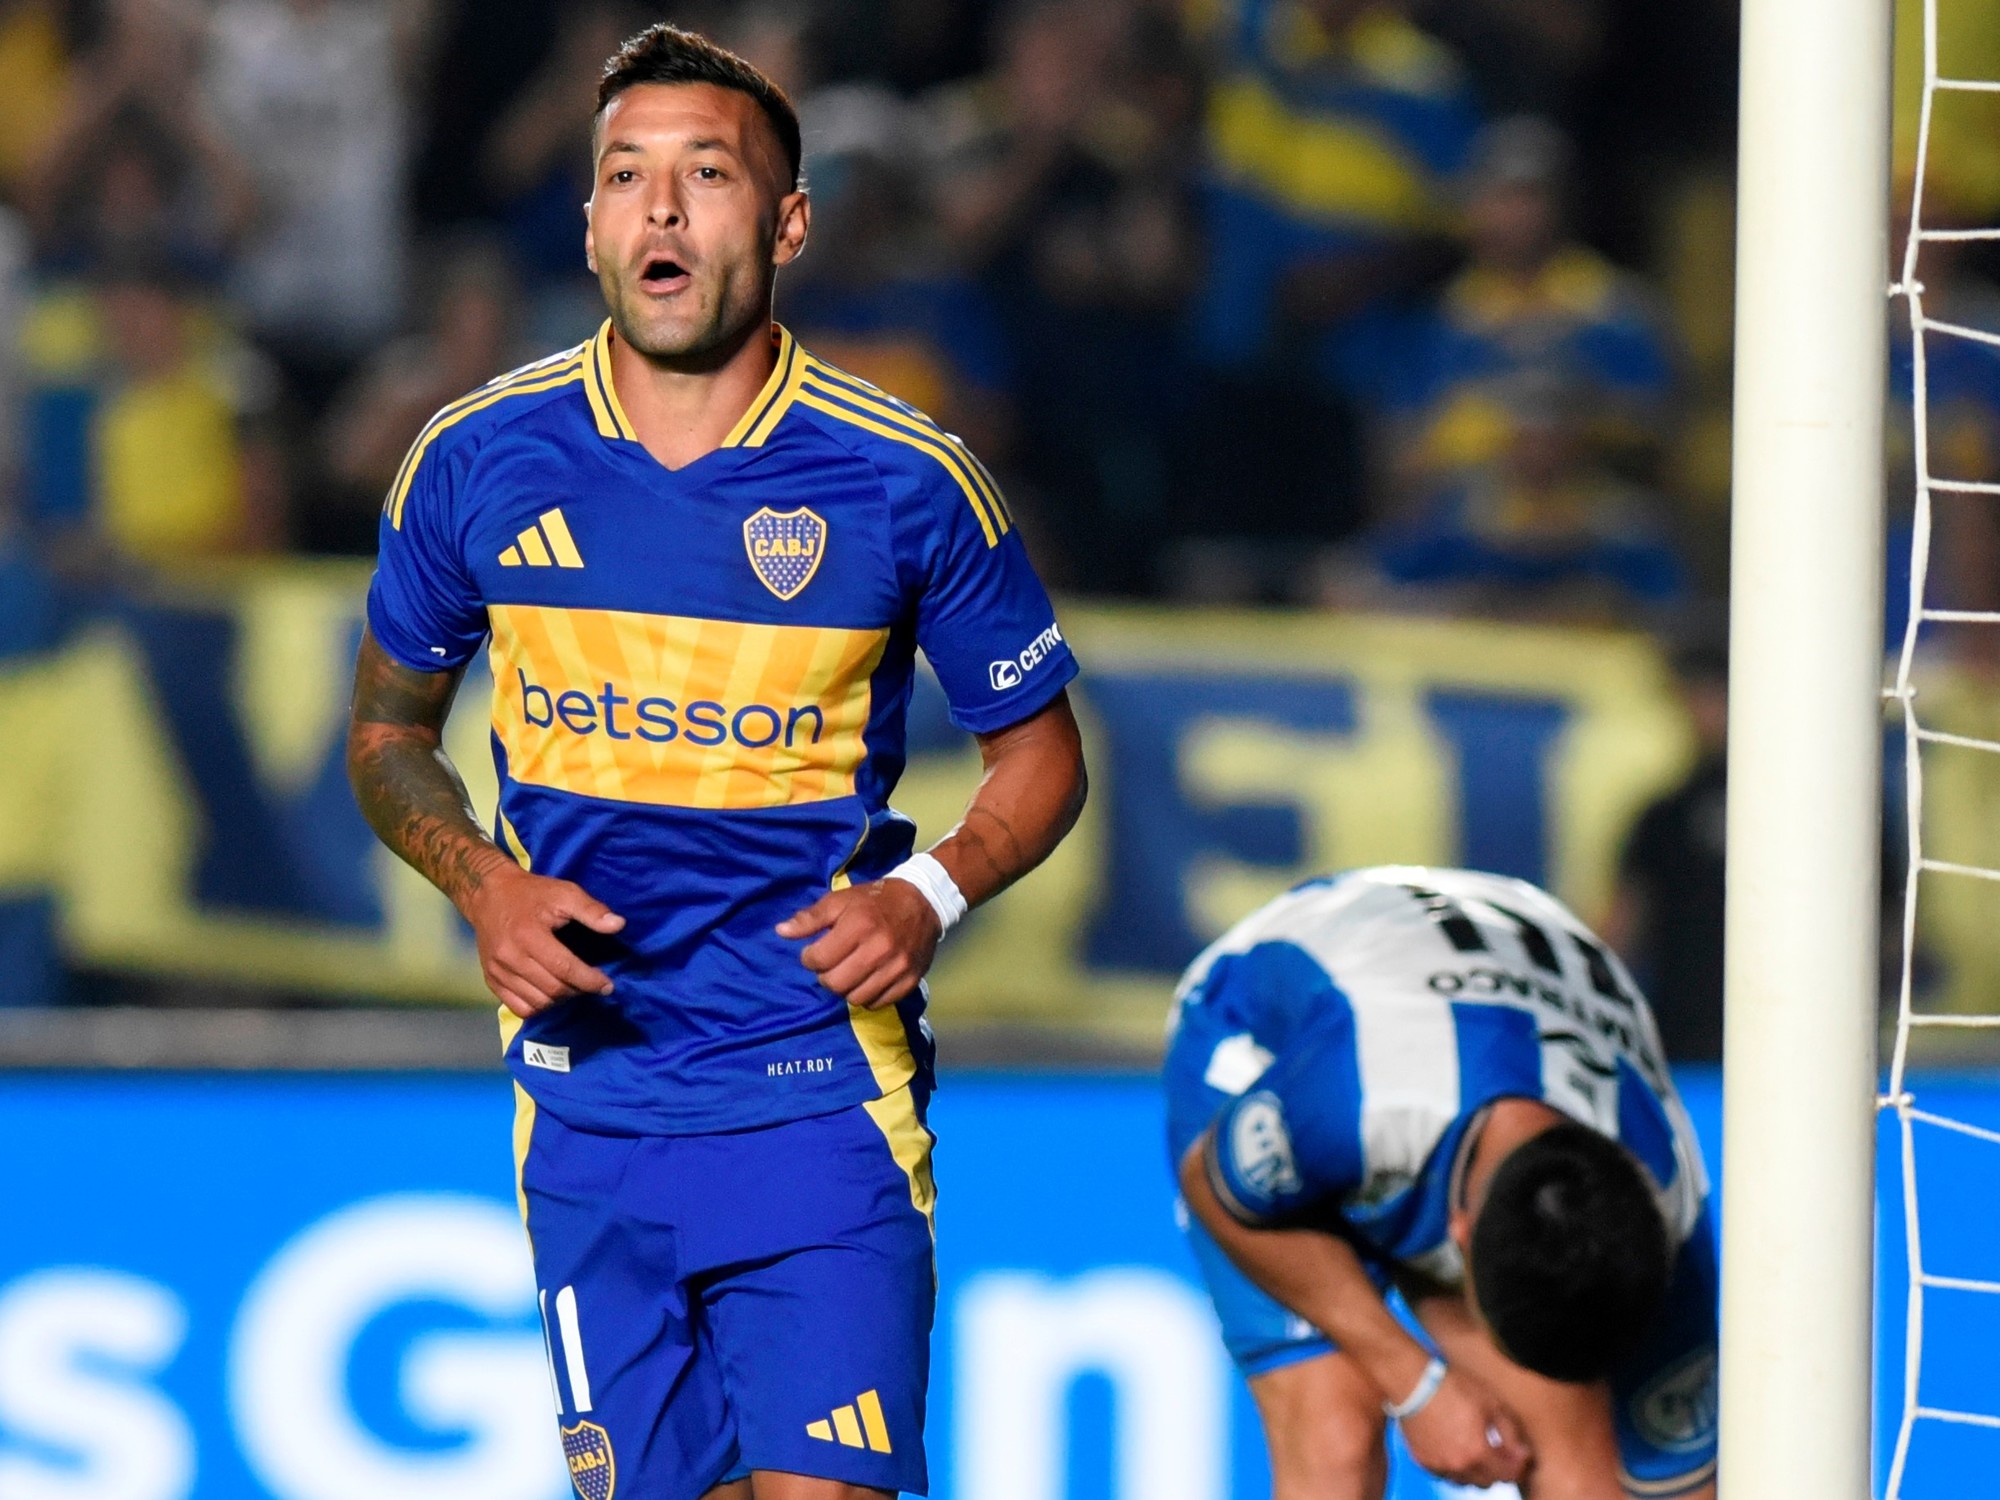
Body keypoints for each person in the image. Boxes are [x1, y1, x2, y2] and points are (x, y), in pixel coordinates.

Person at [345, 25, 1086, 1500]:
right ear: (590, 223)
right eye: (627, 176)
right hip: (585, 1104)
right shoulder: (474, 459)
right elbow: (386, 736)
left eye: (707, 174)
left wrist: (929, 895)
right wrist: (484, 885)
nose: (663, 210)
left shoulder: (905, 478)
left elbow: (1042, 757)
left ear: (788, 224)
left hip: (814, 1092)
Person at [1166, 866, 1716, 1499]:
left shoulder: (1669, 1213)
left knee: (1580, 1472)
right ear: (1457, 1235)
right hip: (1264, 1036)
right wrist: (1415, 1382)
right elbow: (1215, 1188)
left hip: (1498, 976)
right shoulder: (1356, 1097)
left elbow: (1687, 1490)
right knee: (1335, 1448)